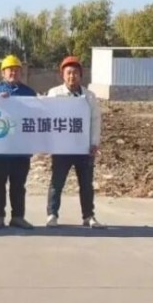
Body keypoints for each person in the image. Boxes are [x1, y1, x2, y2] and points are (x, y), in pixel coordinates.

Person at [45, 56, 104, 229]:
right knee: (57, 182)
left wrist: (94, 143)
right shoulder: (54, 94)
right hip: (62, 147)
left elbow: (95, 120)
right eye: (69, 73)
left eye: (75, 73)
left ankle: (88, 216)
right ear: (62, 75)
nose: (72, 76)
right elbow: (46, 117)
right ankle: (52, 214)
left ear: (81, 75)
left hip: (83, 148)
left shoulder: (89, 97)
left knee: (86, 184)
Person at [0, 54, 37, 230]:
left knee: (18, 185)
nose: (13, 73)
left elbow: (38, 115)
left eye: (16, 70)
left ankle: (18, 217)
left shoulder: (29, 93)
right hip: (0, 147)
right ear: (3, 73)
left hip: (21, 148)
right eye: (10, 70)